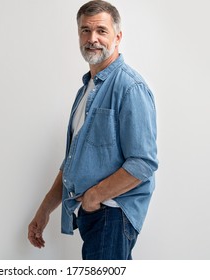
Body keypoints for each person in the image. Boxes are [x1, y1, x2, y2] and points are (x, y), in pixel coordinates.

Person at [28, 0, 158, 260]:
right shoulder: (86, 90)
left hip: (112, 214)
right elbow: (74, 161)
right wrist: (44, 210)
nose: (92, 38)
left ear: (118, 37)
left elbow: (143, 163)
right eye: (85, 31)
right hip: (94, 216)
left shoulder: (130, 88)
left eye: (101, 30)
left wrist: (94, 197)